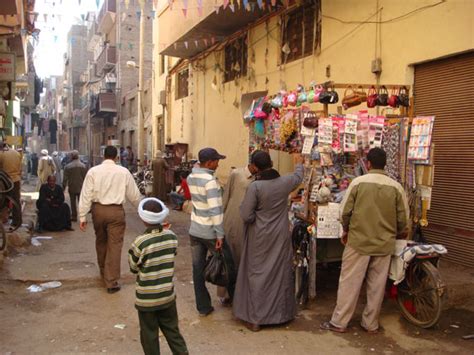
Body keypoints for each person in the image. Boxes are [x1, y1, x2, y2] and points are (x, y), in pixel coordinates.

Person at [320, 148, 409, 334]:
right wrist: (398, 233)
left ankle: (340, 322)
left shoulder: (358, 183)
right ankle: (370, 324)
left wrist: (345, 230)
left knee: (350, 282)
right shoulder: (396, 187)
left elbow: (345, 211)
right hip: (384, 243)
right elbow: (403, 220)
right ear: (384, 164)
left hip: (358, 241)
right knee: (376, 286)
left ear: (367, 163)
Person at [233, 151, 304, 332]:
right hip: (279, 235)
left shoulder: (255, 187)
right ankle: (281, 315)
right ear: (271, 163)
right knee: (278, 273)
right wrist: (298, 162)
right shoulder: (285, 182)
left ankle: (256, 319)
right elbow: (298, 176)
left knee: (257, 275)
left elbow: (246, 215)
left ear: (255, 167)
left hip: (259, 236)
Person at [78, 145, 142, 293]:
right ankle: (111, 281)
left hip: (98, 211)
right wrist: (143, 210)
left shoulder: (93, 172)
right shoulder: (123, 172)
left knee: (101, 241)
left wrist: (82, 216)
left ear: (103, 156)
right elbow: (134, 195)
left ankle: (103, 272)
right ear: (116, 157)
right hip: (116, 212)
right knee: (115, 245)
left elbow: (86, 194)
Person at [129, 198, 188, 355]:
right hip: (167, 296)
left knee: (149, 335)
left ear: (143, 218)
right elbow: (172, 253)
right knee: (173, 331)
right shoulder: (172, 237)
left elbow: (133, 268)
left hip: (146, 299)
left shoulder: (140, 243)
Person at [187, 147, 236, 316]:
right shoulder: (210, 182)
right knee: (229, 264)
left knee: (197, 268)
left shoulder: (191, 176)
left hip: (195, 229)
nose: (218, 164)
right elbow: (215, 210)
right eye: (216, 161)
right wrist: (220, 234)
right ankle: (236, 301)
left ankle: (203, 306)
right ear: (209, 162)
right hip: (209, 231)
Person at [216, 157, 258, 304]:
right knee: (229, 258)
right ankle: (225, 294)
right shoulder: (236, 174)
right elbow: (226, 195)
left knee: (242, 259)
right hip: (233, 219)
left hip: (247, 222)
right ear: (252, 164)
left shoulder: (258, 179)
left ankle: (240, 295)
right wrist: (220, 219)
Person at [0, 143, 22, 227]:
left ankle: (3, 220)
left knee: (3, 201)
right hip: (16, 180)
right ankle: (17, 221)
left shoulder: (1, 154)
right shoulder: (16, 153)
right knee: (16, 200)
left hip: (5, 181)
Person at [63, 151, 87, 222]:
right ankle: (83, 217)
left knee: (73, 203)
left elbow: (65, 179)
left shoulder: (68, 166)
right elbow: (86, 177)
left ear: (71, 157)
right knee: (82, 203)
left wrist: (63, 187)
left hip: (72, 186)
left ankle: (74, 216)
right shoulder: (83, 166)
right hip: (81, 187)